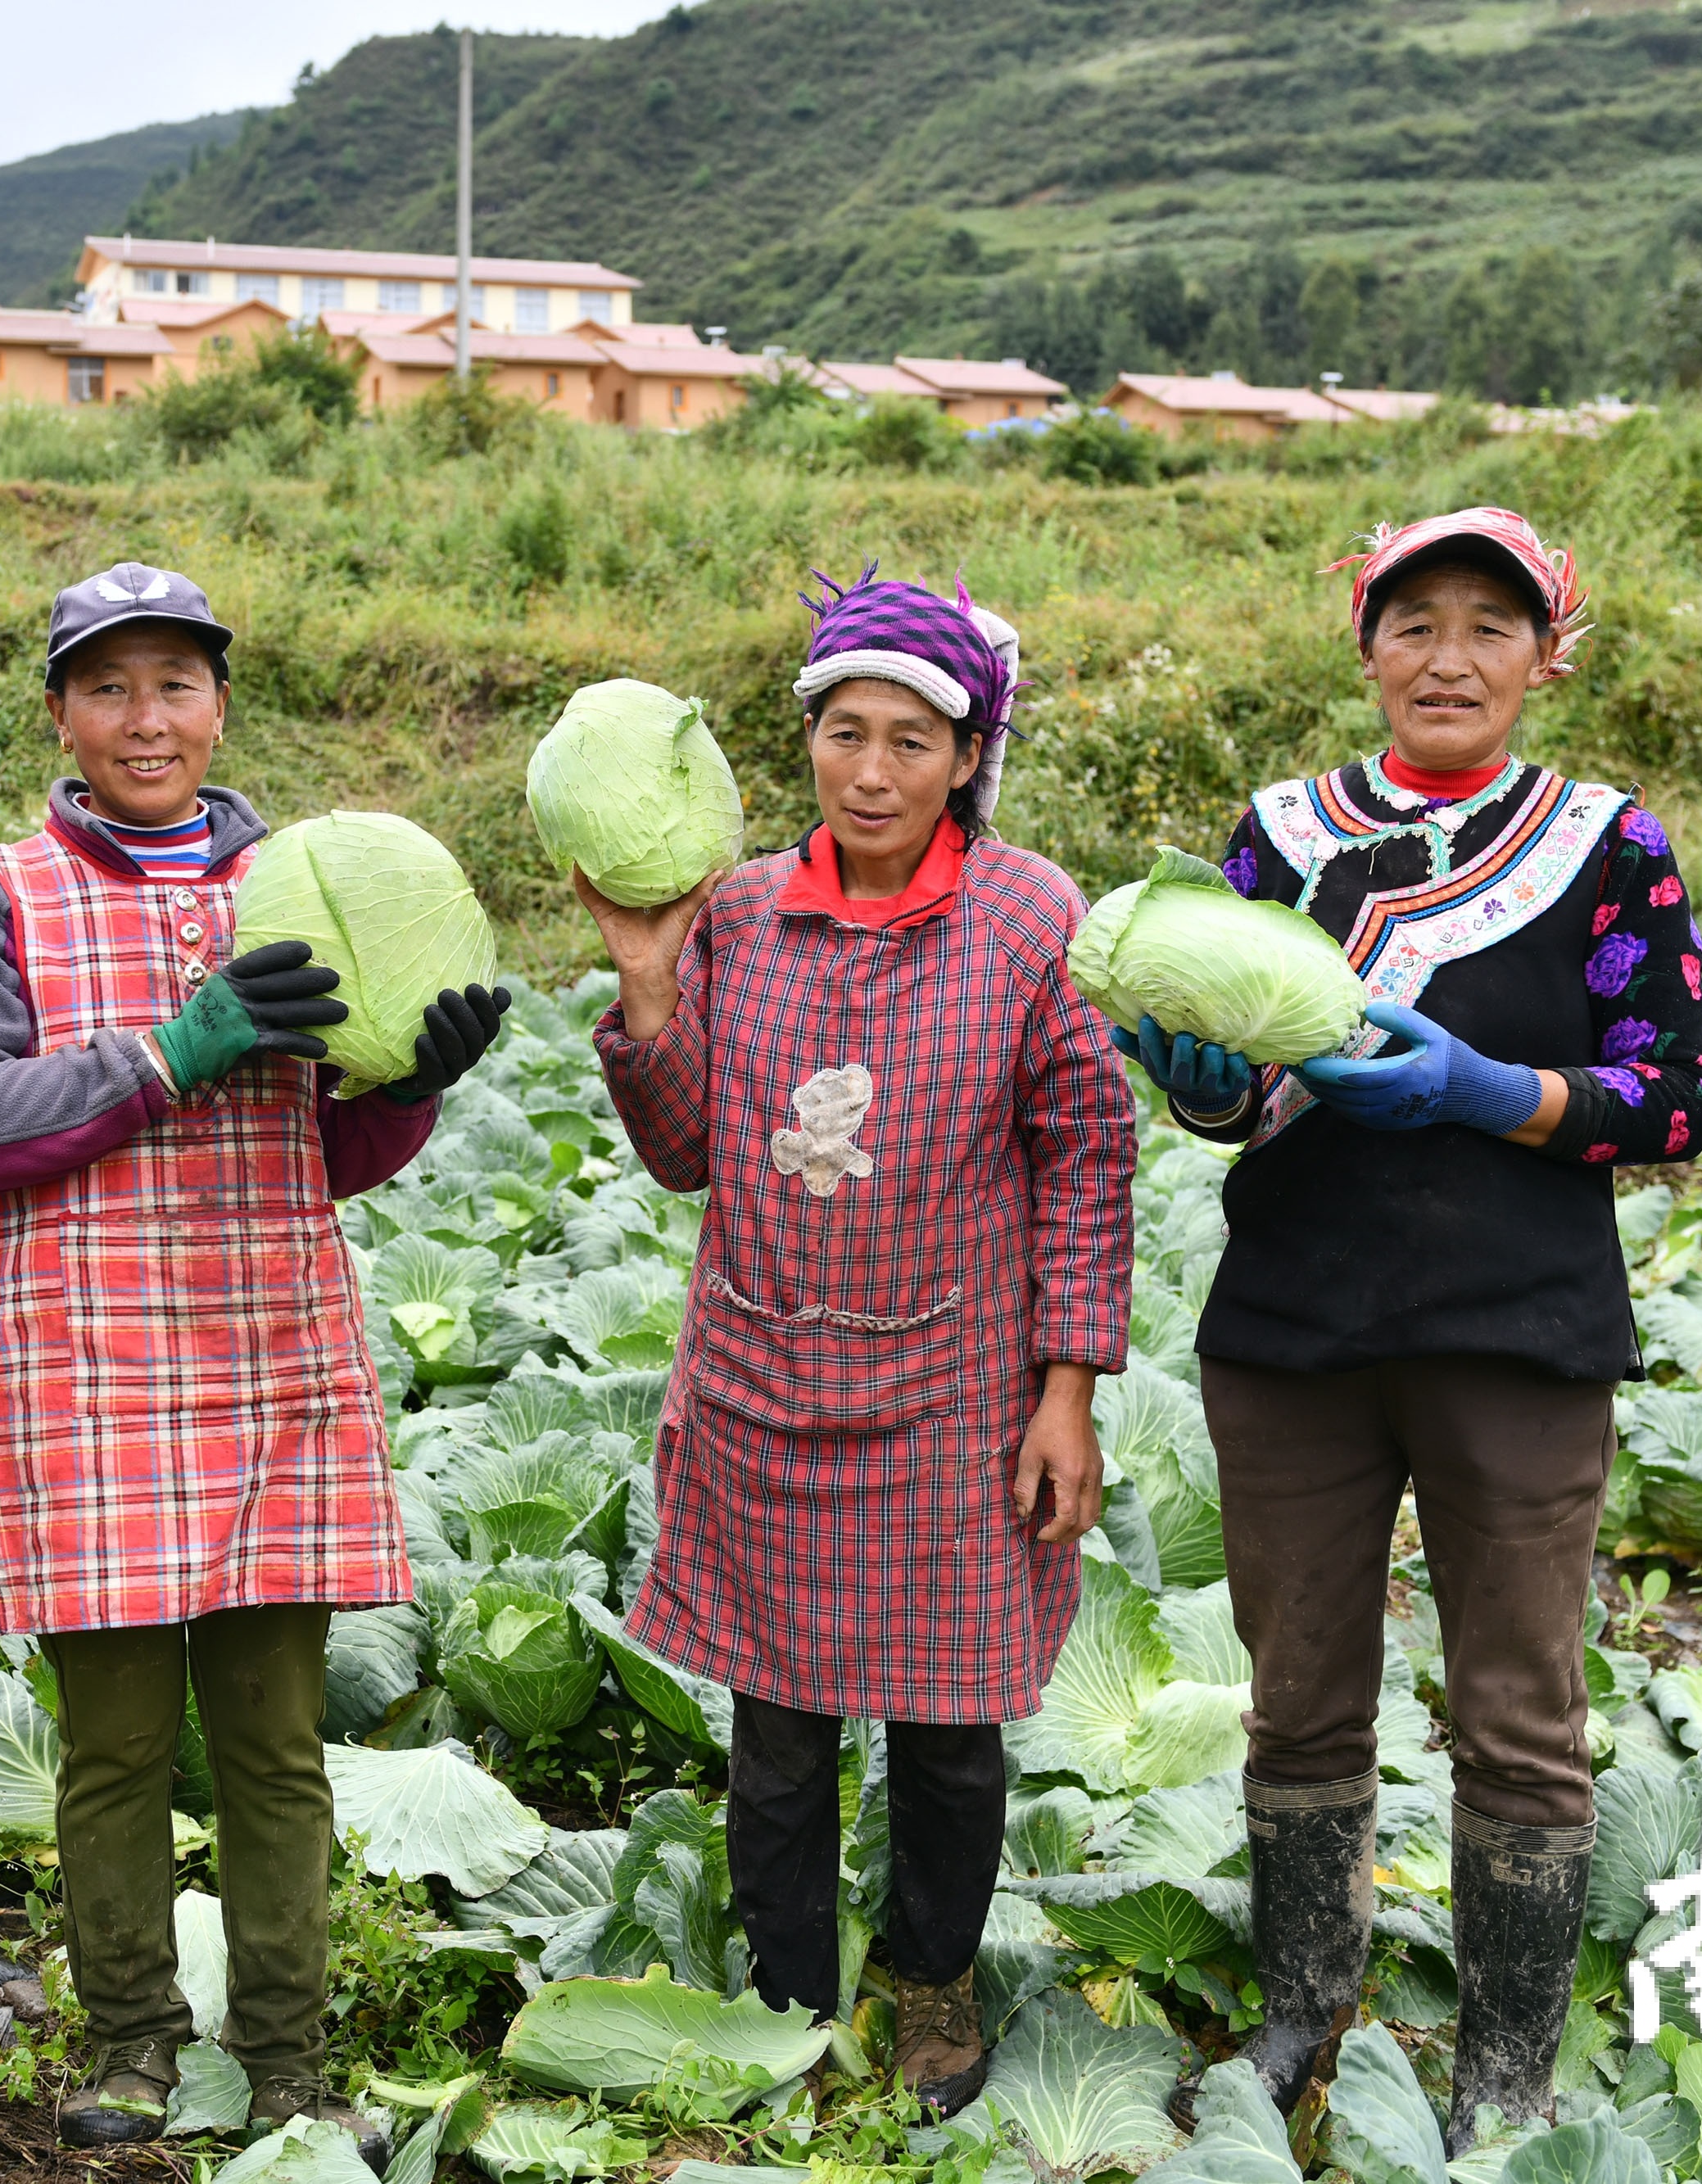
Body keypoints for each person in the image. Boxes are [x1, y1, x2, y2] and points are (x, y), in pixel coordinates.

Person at [1111, 508, 1702, 2149]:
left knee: (1515, 1706)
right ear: (1364, 643)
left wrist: (1487, 1093)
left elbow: (1676, 1097)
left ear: (1546, 653)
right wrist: (1204, 1085)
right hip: (1292, 1334)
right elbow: (1229, 1079)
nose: (1447, 656)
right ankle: (1301, 2013)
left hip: (1514, 1338)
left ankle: (1502, 2069)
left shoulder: (1604, 845)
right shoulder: (1280, 835)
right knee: (1297, 1694)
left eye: (1489, 626)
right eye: (1413, 622)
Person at [0, 562, 507, 2163]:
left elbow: (332, 1145)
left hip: (264, 1352)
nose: (143, 718)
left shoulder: (299, 876)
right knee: (106, 1746)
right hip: (84, 1362)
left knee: (272, 1743)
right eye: (108, 688)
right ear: (60, 713)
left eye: (173, 684)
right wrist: (174, 1047)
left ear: (219, 703)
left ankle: (292, 2060)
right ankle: (127, 2039)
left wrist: (409, 1086)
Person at [574, 570, 1138, 2116]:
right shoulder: (742, 912)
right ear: (806, 743)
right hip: (761, 1381)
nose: (872, 770)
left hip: (958, 1394)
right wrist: (644, 975)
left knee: (951, 1735)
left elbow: (1088, 1156)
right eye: (842, 733)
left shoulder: (1033, 919)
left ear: (967, 757)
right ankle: (787, 1998)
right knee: (777, 1728)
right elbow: (687, 1149)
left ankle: (938, 1984)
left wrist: (1067, 1393)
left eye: (909, 739)